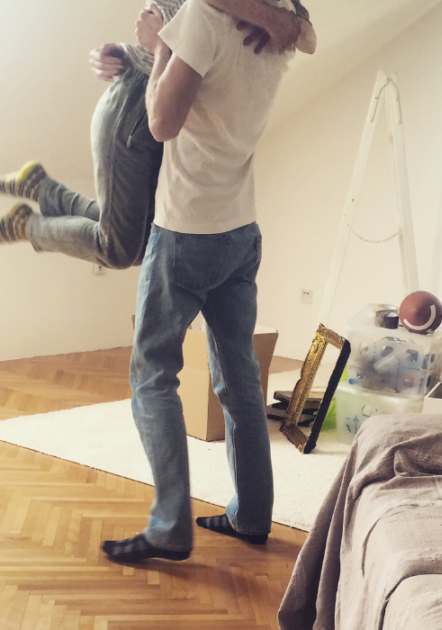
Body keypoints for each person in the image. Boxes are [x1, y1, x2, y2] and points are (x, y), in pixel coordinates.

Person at [100, 0, 297, 563]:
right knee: (240, 381)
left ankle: (169, 528)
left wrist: (159, 41)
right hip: (240, 230)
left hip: (186, 231)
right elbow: (303, 35)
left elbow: (162, 123)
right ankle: (253, 515)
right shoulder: (278, 21)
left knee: (152, 376)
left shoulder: (200, 19)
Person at [0, 0, 314, 269]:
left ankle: (41, 187)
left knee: (141, 241)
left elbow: (307, 35)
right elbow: (182, 21)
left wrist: (282, 20)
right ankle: (27, 225)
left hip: (168, 105)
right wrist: (270, 18)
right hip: (136, 102)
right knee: (121, 250)